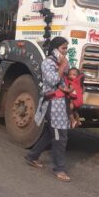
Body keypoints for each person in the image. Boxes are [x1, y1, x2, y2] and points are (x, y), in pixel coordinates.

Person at [25, 37, 71, 182]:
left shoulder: (61, 63)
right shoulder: (47, 63)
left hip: (62, 103)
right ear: (55, 49)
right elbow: (52, 81)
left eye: (66, 49)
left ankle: (32, 156)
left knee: (50, 133)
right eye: (63, 48)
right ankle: (59, 168)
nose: (65, 51)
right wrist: (63, 67)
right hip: (54, 104)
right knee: (60, 137)